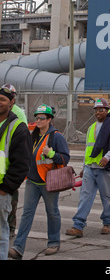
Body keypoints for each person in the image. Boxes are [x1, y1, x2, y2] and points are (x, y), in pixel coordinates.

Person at [9, 104, 69, 260]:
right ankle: (18, 247)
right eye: (37, 117)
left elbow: (65, 158)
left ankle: (54, 242)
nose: (38, 120)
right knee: (26, 214)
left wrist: (52, 153)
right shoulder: (33, 136)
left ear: (50, 119)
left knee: (52, 213)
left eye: (42, 118)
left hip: (49, 183)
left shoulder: (56, 136)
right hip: (33, 182)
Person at [66, 98, 110, 238]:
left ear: (107, 111)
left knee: (106, 197)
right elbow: (88, 149)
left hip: (104, 168)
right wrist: (85, 166)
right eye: (96, 110)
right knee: (85, 197)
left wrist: (107, 157)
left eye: (101, 110)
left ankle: (107, 222)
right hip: (90, 168)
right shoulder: (91, 128)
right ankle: (78, 225)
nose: (98, 112)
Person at [0, 85, 31, 260]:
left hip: (2, 189)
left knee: (1, 234)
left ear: (12, 102)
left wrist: (6, 189)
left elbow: (22, 164)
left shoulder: (18, 127)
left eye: (2, 99)